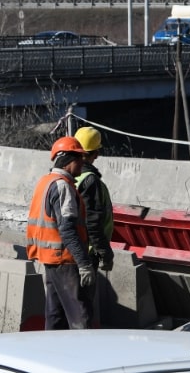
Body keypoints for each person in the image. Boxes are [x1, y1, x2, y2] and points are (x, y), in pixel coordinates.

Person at [26, 136, 94, 330]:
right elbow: (67, 229)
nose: (82, 163)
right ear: (67, 160)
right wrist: (84, 263)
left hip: (50, 259)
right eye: (79, 159)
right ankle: (82, 357)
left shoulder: (45, 182)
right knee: (80, 317)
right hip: (65, 260)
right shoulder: (63, 186)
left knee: (55, 316)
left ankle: (51, 353)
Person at [73, 126, 114, 328]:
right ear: (96, 153)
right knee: (84, 307)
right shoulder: (91, 181)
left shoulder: (69, 176)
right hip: (86, 253)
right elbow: (93, 223)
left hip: (69, 248)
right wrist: (105, 253)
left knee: (68, 306)